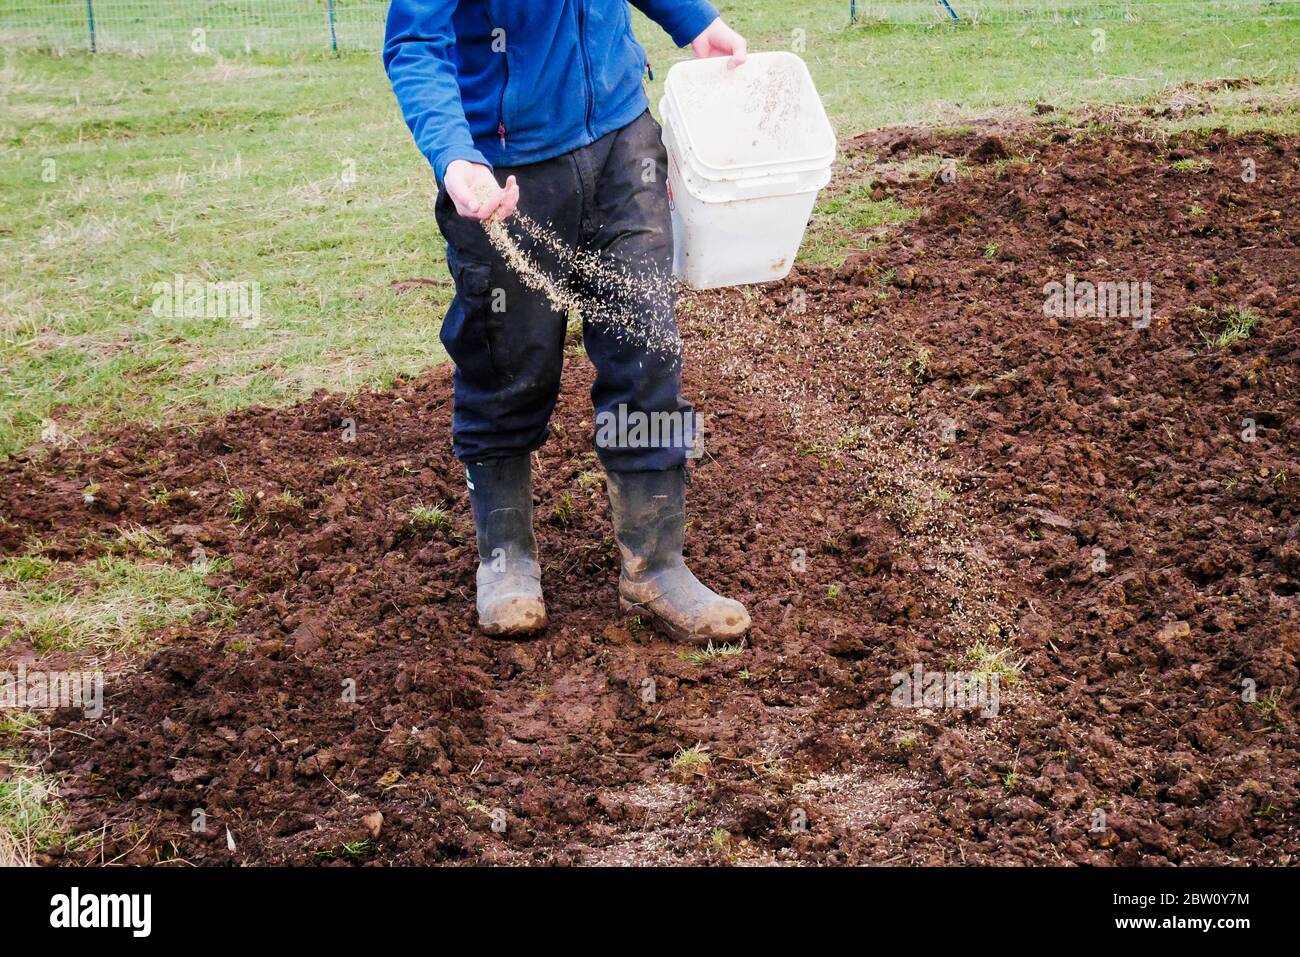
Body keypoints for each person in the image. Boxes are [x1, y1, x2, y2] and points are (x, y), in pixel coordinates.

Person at [383, 1, 752, 643]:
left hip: (622, 144)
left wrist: (694, 20)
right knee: (507, 362)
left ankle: (656, 565)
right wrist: (454, 155)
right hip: (504, 174)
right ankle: (506, 558)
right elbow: (415, 43)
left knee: (648, 346)